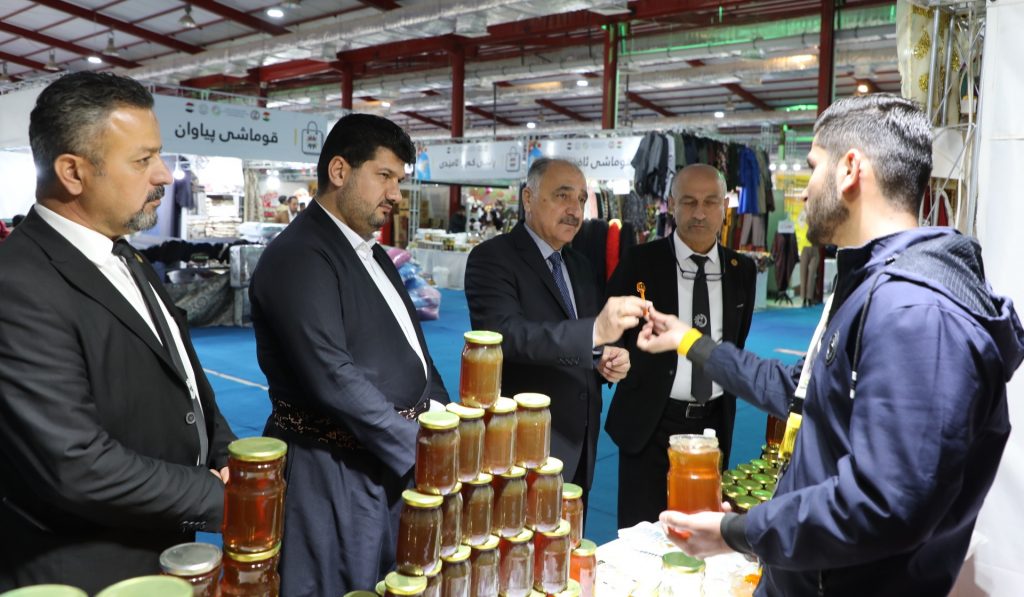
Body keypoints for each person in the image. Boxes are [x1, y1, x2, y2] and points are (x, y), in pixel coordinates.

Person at [637, 94, 1024, 595]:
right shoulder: (873, 286)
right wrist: (688, 341)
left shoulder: (914, 313)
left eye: (813, 166)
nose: (805, 190)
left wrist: (741, 531)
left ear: (850, 170)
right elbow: (803, 391)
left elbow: (884, 503)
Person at [0, 72, 236, 592]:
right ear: (73, 172)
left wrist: (228, 458)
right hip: (90, 569)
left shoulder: (125, 254)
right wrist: (220, 498)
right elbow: (75, 463)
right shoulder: (18, 285)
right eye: (143, 160)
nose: (165, 175)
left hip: (161, 549)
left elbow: (186, 383)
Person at [249, 113, 450, 595]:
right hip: (331, 470)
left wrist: (445, 419)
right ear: (339, 171)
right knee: (338, 584)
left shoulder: (373, 252)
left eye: (399, 180)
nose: (396, 194)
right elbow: (331, 376)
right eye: (384, 176)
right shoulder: (299, 254)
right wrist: (419, 450)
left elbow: (415, 349)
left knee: (395, 579)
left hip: (390, 460)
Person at [465, 157, 647, 500]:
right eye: (563, 196)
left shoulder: (580, 265)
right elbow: (506, 337)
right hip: (522, 447)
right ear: (528, 198)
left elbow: (586, 341)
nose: (575, 210)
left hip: (581, 444)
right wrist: (593, 335)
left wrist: (605, 357)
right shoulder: (492, 258)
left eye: (581, 199)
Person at [605, 164, 756, 529]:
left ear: (724, 207)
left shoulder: (743, 270)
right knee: (640, 533)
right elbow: (611, 328)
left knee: (699, 533)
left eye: (710, 202)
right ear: (671, 205)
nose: (699, 213)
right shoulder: (640, 261)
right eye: (688, 202)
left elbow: (736, 341)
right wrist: (609, 356)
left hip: (713, 425)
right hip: (650, 424)